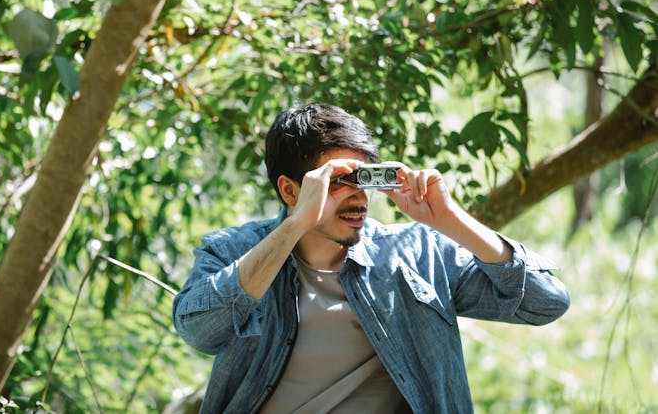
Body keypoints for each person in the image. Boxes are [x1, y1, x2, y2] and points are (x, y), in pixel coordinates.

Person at [172, 103, 569, 413]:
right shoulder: (232, 250)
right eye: (340, 181)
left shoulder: (419, 252)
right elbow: (199, 332)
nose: (359, 197)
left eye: (365, 178)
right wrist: (295, 226)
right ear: (290, 191)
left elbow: (546, 301)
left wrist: (450, 219)